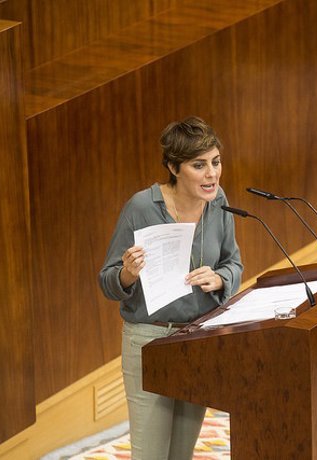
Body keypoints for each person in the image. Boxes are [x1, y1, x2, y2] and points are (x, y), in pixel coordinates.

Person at [99, 116, 243, 459]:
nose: (212, 174)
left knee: (181, 454)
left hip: (196, 339)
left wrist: (220, 278)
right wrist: (128, 275)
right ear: (173, 168)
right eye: (199, 165)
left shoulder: (219, 202)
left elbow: (233, 263)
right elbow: (107, 279)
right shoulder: (142, 207)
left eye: (216, 162)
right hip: (149, 341)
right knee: (151, 454)